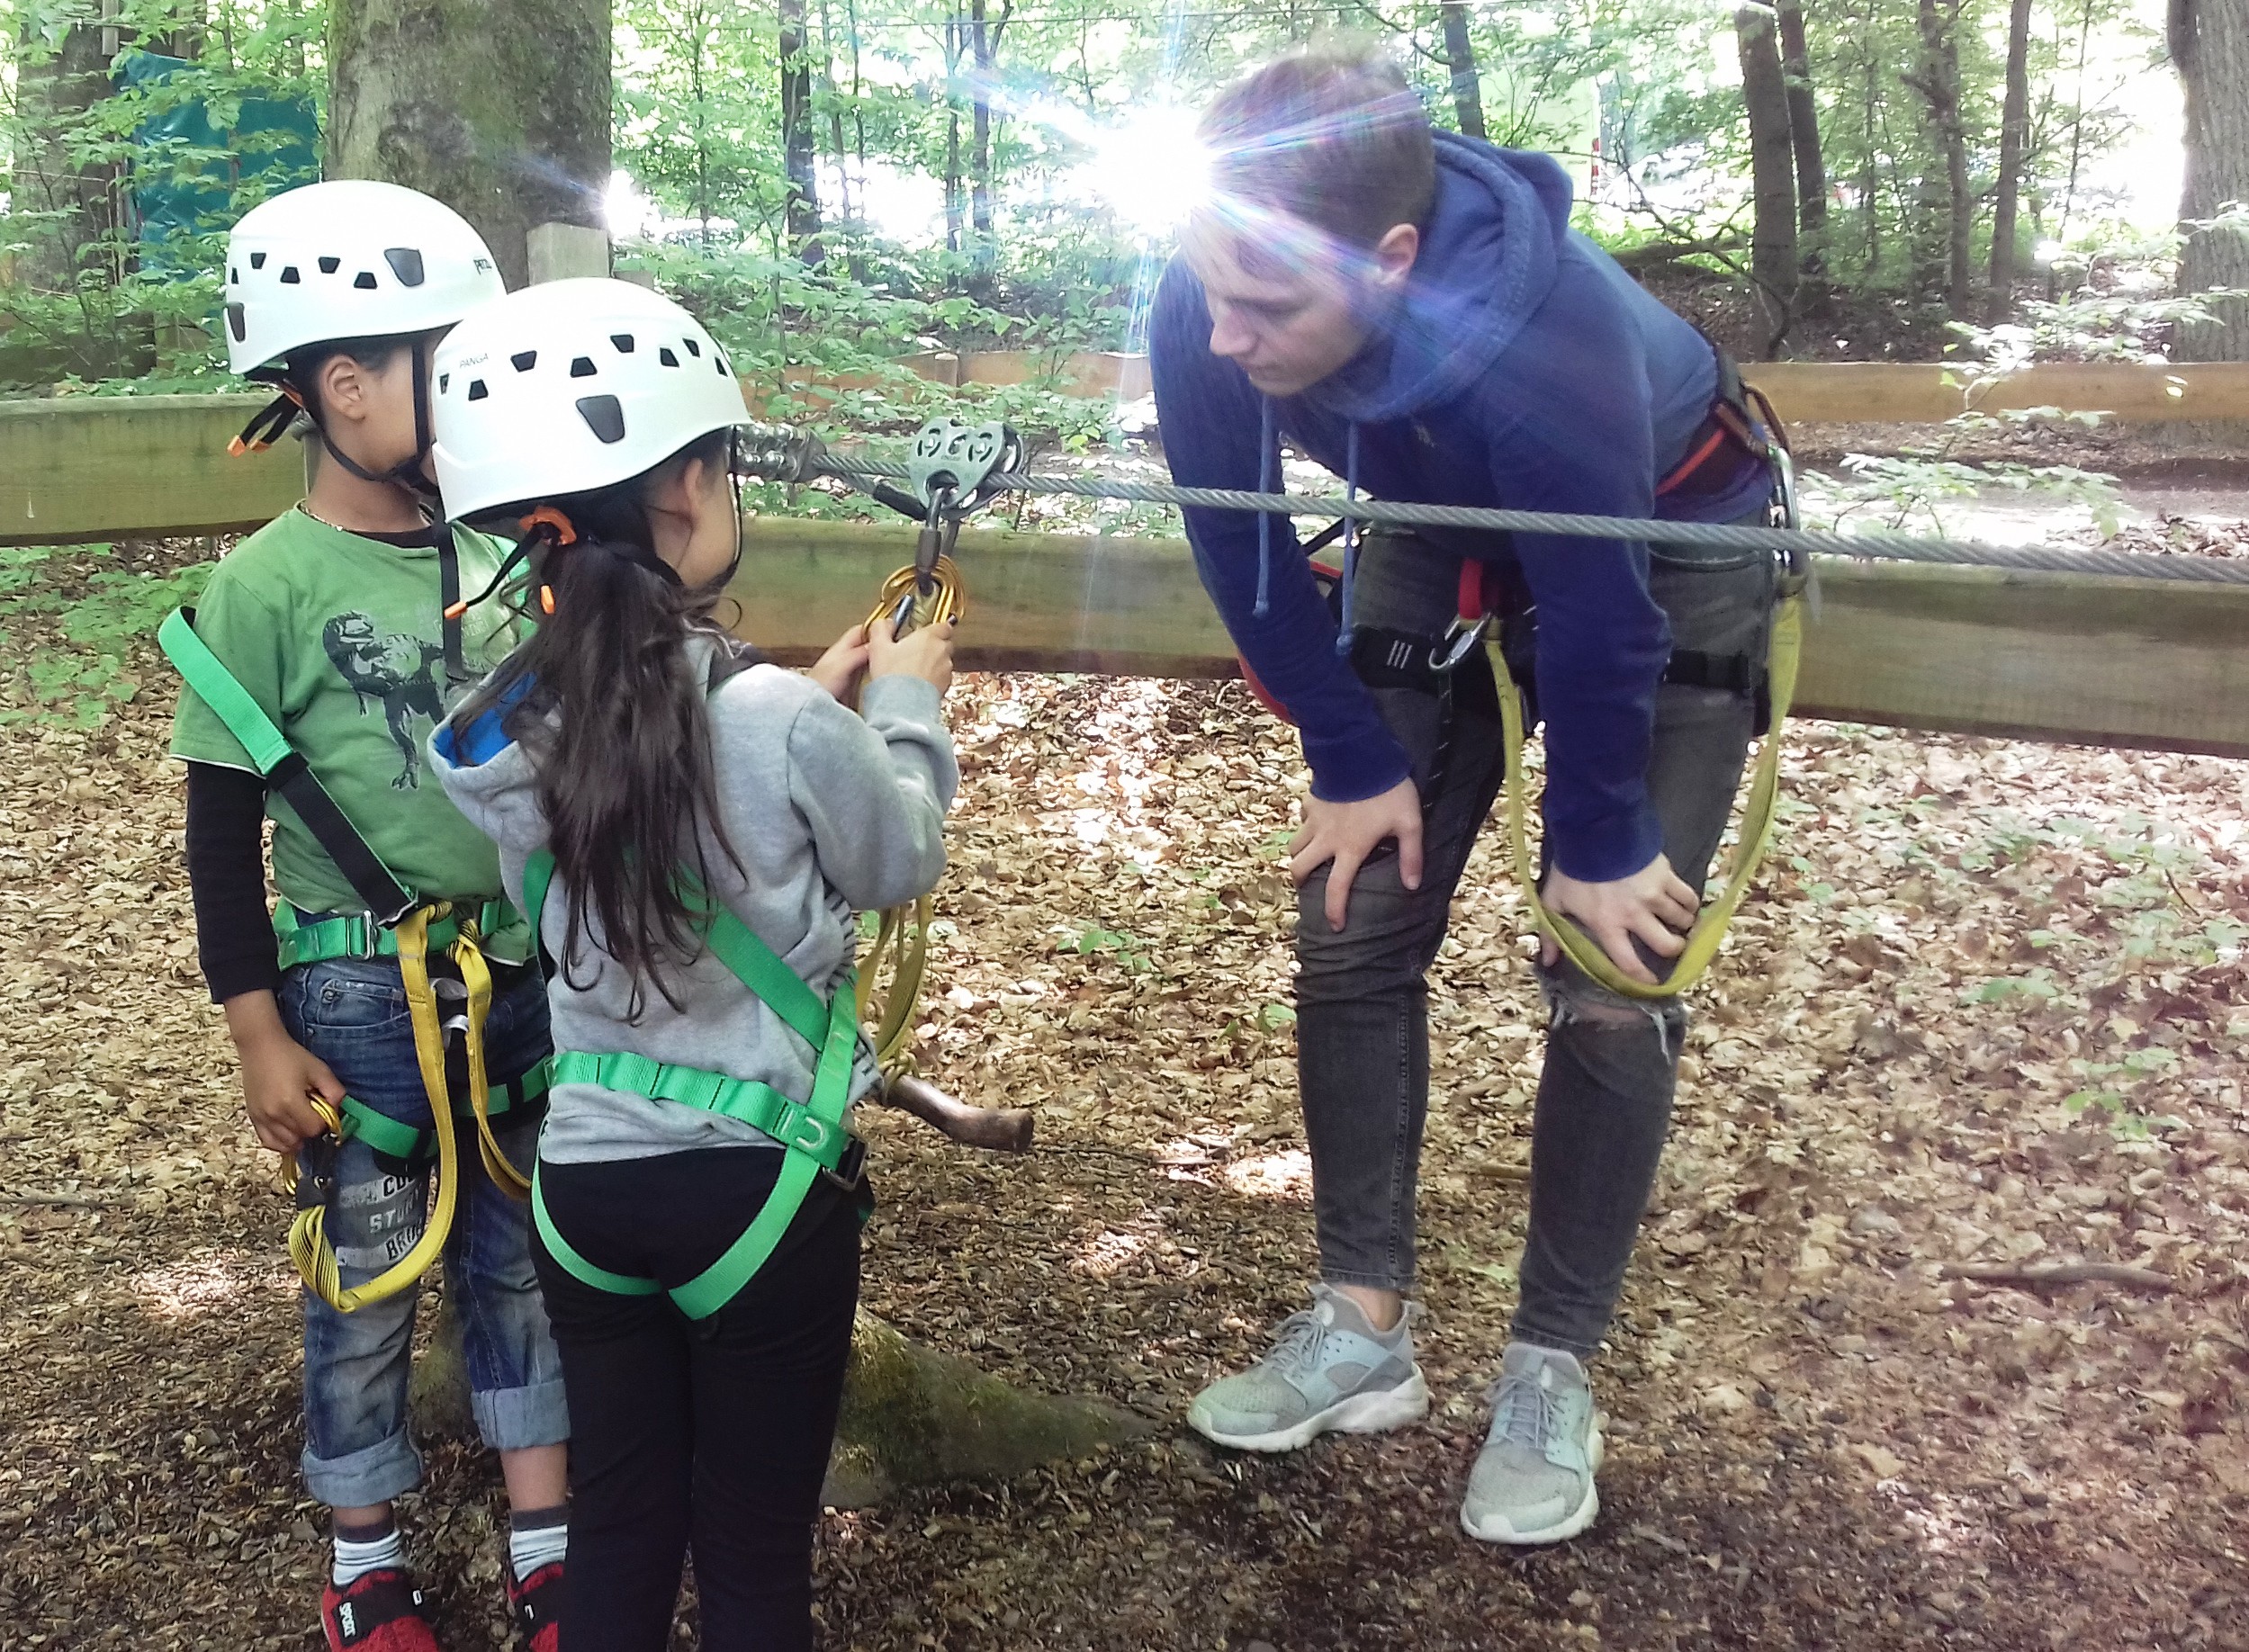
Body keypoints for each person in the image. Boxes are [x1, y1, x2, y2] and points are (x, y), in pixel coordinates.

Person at [1147, 41, 1786, 1545]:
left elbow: (1606, 610)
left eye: (1270, 309)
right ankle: (1363, 1325)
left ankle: (1551, 1365)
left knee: (1615, 971)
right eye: (1211, 294)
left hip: (1672, 538)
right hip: (1435, 512)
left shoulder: (1545, 329)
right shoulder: (1212, 284)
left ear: (1392, 257)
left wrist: (1602, 838)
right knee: (1351, 909)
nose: (1224, 334)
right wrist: (1352, 761)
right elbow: (1236, 540)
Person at [427, 277, 958, 1652]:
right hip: (760, 1192)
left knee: (616, 1542)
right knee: (752, 1567)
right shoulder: (773, 718)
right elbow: (897, 860)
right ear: (678, 490)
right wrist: (904, 703)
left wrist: (808, 703)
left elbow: (628, 818)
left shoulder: (505, 731)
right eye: (717, 460)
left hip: (586, 1193)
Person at [167, 181, 570, 1649]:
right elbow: (220, 833)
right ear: (345, 385)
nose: (473, 400)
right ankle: (364, 1554)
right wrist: (255, 1035)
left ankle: (550, 1532)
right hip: (356, 997)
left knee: (529, 1254)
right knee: (366, 1269)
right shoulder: (262, 587)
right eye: (444, 370)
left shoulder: (505, 558)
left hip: (517, 975)